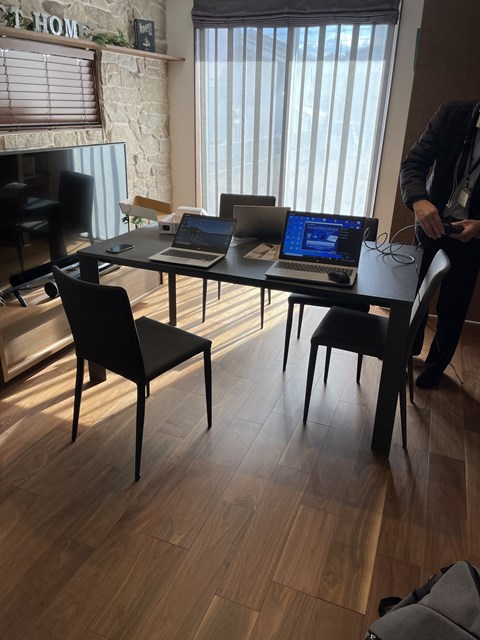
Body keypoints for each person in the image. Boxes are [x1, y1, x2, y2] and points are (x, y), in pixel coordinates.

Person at [400, 99, 480, 388]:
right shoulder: (451, 114)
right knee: (414, 294)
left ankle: (436, 367)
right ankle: (406, 349)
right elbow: (413, 164)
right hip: (430, 224)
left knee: (453, 307)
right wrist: (418, 200)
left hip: (472, 237)